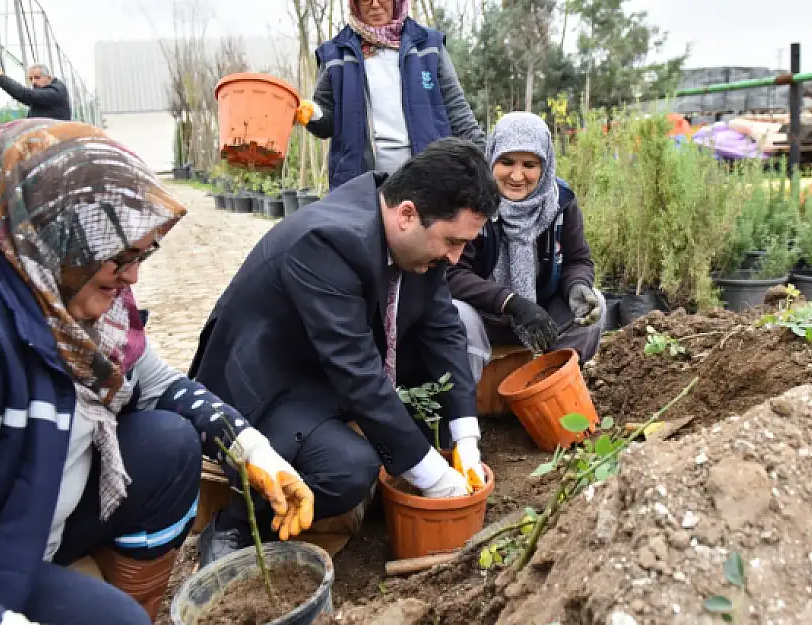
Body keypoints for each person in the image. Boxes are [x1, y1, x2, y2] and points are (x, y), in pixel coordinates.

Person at [0, 119, 313, 625]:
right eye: (120, 256)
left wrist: (253, 451)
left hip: (21, 509)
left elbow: (159, 385)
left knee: (168, 442)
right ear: (57, 229)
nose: (133, 275)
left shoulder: (55, 286)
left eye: (142, 254)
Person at [189, 137, 500, 566]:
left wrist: (465, 440)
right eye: (451, 241)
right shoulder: (327, 241)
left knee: (461, 333)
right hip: (270, 384)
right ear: (407, 214)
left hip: (328, 364)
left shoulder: (412, 239)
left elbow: (444, 330)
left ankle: (408, 456)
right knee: (350, 469)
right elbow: (357, 372)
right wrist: (431, 474)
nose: (455, 256)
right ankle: (236, 524)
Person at [446, 112, 606, 382]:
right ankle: (467, 406)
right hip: (486, 314)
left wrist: (578, 285)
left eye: (530, 165)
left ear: (545, 166)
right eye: (506, 162)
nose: (517, 175)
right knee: (457, 315)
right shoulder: (471, 202)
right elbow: (452, 273)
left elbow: (577, 259)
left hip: (540, 311)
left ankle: (554, 388)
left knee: (594, 304)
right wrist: (510, 302)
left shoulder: (561, 202)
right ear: (491, 157)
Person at [294, 0, 485, 190]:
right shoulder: (336, 54)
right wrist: (313, 113)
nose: (375, 5)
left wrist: (487, 164)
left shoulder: (428, 47)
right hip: (360, 187)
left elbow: (458, 113)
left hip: (429, 184)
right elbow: (327, 124)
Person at [0, 62, 72, 121]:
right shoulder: (44, 93)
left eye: (37, 78)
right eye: (31, 78)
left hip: (58, 144)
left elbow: (26, 95)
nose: (33, 82)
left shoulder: (55, 92)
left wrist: (0, 77)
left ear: (49, 78)